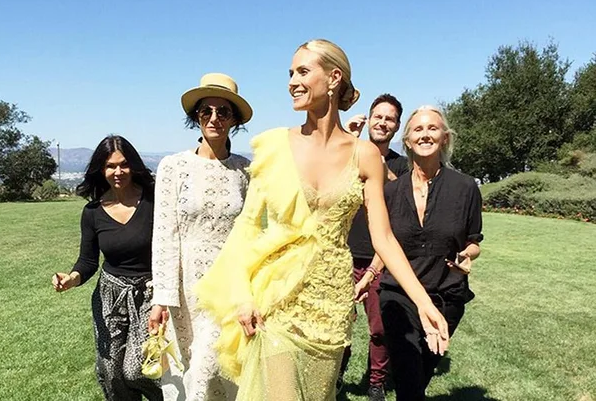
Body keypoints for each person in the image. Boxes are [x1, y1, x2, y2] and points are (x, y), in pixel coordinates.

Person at [194, 39, 449, 401]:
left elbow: (384, 238)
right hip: (276, 300)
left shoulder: (365, 156)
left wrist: (423, 303)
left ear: (333, 78)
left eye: (302, 71)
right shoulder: (274, 146)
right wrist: (242, 295)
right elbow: (247, 226)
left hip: (330, 305)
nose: (292, 82)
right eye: (290, 73)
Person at [362, 105, 483, 401]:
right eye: (418, 129)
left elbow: (474, 241)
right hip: (398, 295)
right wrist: (370, 275)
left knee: (422, 373)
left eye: (432, 128)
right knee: (407, 378)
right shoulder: (390, 192)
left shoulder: (466, 188)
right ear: (407, 140)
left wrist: (467, 256)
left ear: (444, 138)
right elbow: (387, 243)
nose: (425, 134)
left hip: (446, 296)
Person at [147, 73, 253, 401]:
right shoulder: (173, 167)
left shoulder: (244, 169)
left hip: (228, 283)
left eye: (223, 112)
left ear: (234, 119)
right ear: (195, 117)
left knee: (211, 364)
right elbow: (164, 233)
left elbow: (250, 233)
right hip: (184, 282)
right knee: (189, 367)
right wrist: (161, 298)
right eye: (206, 111)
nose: (214, 118)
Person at [52, 135, 162, 401]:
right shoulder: (92, 212)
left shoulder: (154, 201)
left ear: (133, 165)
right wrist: (72, 278)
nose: (118, 171)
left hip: (149, 293)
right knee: (111, 373)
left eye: (123, 164)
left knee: (136, 370)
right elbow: (88, 261)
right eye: (110, 166)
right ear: (101, 170)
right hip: (109, 296)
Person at [338, 94, 408, 400]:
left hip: (380, 259)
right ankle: (336, 376)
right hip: (342, 255)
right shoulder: (349, 154)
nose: (382, 122)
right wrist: (349, 139)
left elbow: (407, 203)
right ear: (368, 119)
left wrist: (383, 172)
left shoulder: (403, 165)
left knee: (379, 329)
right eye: (377, 116)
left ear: (396, 126)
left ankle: (376, 381)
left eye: (389, 118)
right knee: (336, 324)